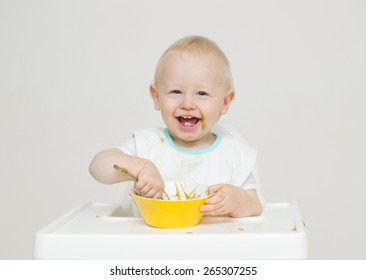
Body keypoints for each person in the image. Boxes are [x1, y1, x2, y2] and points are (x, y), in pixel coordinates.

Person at [89, 35, 262, 217]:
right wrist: (140, 168)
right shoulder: (148, 145)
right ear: (156, 97)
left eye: (201, 93)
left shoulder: (234, 155)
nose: (187, 103)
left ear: (225, 102)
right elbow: (98, 167)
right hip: (150, 244)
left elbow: (255, 206)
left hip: (213, 245)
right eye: (176, 91)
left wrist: (237, 200)